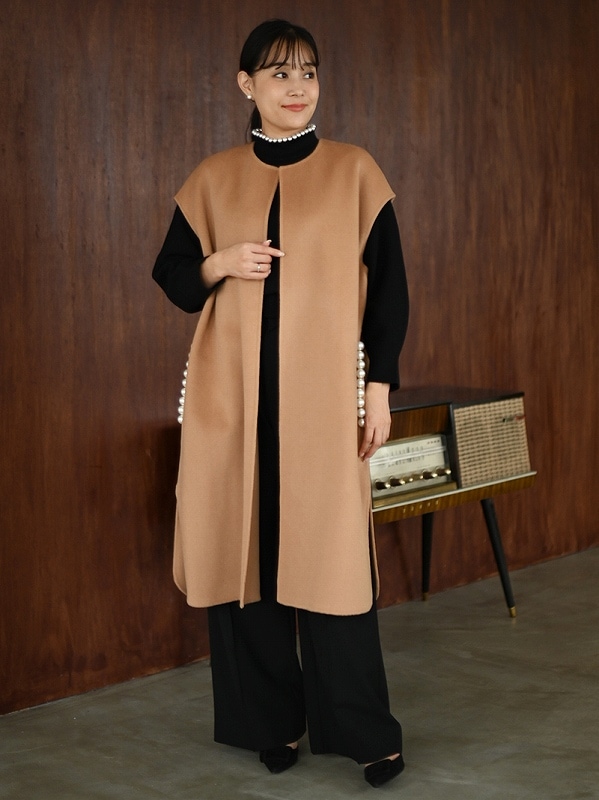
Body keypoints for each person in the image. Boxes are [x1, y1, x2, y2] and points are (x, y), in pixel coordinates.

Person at [153, 19, 409, 789]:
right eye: (278, 74)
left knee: (331, 568)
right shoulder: (212, 178)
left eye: (307, 73)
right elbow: (173, 276)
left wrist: (378, 389)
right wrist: (220, 262)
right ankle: (269, 723)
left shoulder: (354, 172)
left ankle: (366, 734)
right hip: (232, 408)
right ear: (247, 85)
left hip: (322, 407)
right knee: (246, 564)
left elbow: (389, 294)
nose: (296, 88)